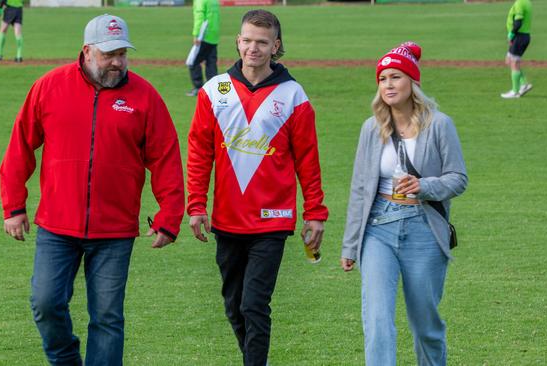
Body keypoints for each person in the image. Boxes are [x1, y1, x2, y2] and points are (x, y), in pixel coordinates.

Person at [0, 14, 185, 365]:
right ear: (87, 51)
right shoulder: (49, 86)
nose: (117, 62)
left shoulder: (145, 97)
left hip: (115, 230)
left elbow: (166, 158)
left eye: (122, 54)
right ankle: (66, 359)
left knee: (108, 319)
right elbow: (20, 146)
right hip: (57, 226)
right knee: (45, 303)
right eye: (108, 54)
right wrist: (14, 205)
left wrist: (169, 216)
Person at [187, 10, 328, 366]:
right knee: (234, 307)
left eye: (262, 42)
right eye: (247, 40)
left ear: (275, 46)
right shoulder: (214, 90)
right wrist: (196, 205)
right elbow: (199, 152)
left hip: (272, 220)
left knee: (254, 304)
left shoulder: (293, 95)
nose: (253, 48)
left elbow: (308, 159)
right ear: (237, 41)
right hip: (227, 219)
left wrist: (315, 212)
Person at [340, 42, 468, 366]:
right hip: (377, 230)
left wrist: (424, 186)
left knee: (426, 325)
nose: (388, 85)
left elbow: (458, 178)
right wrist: (350, 245)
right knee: (378, 321)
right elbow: (359, 189)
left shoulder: (439, 125)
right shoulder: (371, 129)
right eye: (382, 79)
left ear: (412, 82)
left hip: (424, 229)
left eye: (396, 77)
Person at [186, 0, 220, 96]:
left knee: (193, 62)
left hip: (204, 35)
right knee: (211, 63)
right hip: (214, 35)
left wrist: (196, 34)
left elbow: (199, 18)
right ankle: (213, 89)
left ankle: (198, 87)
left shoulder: (200, 1)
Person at [501, 0, 533, 99]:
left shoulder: (520, 2)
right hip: (522, 36)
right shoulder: (526, 2)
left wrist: (511, 34)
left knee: (514, 62)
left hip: (520, 36)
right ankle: (524, 85)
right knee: (509, 60)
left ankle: (515, 92)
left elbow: (518, 22)